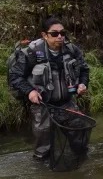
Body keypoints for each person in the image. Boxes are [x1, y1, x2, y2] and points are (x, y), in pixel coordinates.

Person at [7, 17, 90, 160]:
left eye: (62, 33)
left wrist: (83, 84)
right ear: (44, 35)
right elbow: (15, 76)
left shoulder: (71, 50)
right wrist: (30, 91)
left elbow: (84, 70)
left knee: (80, 141)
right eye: (54, 33)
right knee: (43, 149)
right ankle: (43, 175)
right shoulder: (31, 53)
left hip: (67, 103)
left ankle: (81, 166)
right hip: (42, 106)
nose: (60, 37)